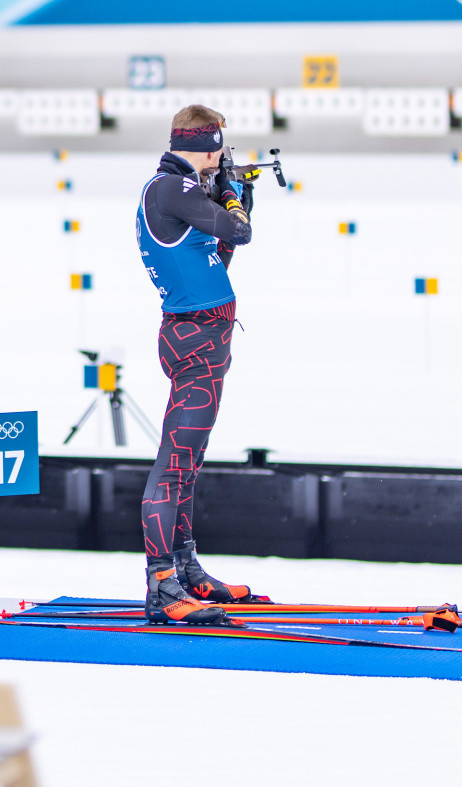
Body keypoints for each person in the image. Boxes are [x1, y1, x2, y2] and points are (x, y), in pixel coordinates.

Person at [134, 104, 267, 624]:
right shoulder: (172, 188)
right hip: (196, 339)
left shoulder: (178, 190)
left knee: (188, 463)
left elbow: (217, 253)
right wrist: (234, 197)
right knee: (173, 468)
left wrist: (235, 200)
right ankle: (163, 587)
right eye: (219, 150)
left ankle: (187, 572)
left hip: (201, 337)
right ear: (209, 145)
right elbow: (240, 231)